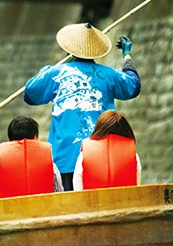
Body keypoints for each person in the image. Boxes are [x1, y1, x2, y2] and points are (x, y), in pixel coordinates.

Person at [23, 23, 141, 191]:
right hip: (101, 159)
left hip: (64, 158)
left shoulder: (56, 73)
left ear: (70, 49)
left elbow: (30, 93)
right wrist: (127, 54)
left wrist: (46, 71)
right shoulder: (109, 74)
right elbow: (133, 85)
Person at [0, 116, 64, 201]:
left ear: (10, 139)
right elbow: (59, 197)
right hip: (40, 210)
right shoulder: (50, 165)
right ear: (35, 137)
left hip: (6, 210)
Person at [73, 110, 141, 190]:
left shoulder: (84, 156)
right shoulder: (134, 156)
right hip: (125, 198)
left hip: (92, 198)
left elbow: (77, 189)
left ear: (99, 130)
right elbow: (136, 186)